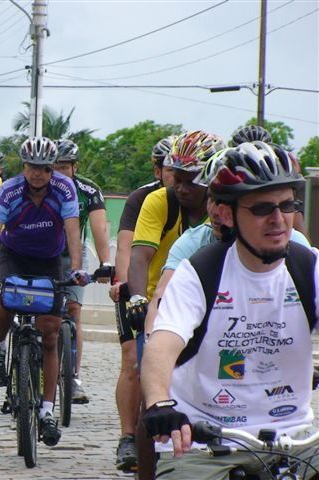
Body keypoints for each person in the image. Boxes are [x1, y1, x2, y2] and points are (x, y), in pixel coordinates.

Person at [140, 144, 319, 479]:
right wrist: (160, 404)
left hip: (295, 439)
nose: (279, 219)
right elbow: (162, 345)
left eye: (287, 205)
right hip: (206, 442)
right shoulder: (200, 272)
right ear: (225, 214)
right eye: (263, 208)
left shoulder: (309, 267)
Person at [0, 136, 90, 448]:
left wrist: (76, 268)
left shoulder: (64, 189)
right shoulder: (9, 189)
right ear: (23, 166)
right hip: (13, 256)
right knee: (4, 298)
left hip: (50, 260)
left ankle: (47, 411)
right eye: (31, 167)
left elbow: (72, 229)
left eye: (44, 169)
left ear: (52, 169)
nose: (37, 174)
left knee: (51, 334)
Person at [127, 130, 226, 479]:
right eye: (176, 179)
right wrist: (141, 304)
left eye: (190, 181)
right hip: (168, 305)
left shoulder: (286, 241)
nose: (181, 188)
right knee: (147, 387)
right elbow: (140, 260)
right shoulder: (171, 215)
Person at [145, 143, 312, 332]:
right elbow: (163, 298)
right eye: (212, 200)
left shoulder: (300, 252)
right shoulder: (193, 244)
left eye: (286, 206)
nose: (217, 212)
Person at [110, 134, 177, 472]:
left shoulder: (207, 199)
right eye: (170, 169)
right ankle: (127, 437)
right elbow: (127, 247)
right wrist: (123, 285)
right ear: (158, 169)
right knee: (134, 362)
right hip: (142, 290)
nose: (177, 176)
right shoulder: (143, 199)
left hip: (180, 298)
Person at [53, 138, 111, 404]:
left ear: (75, 167)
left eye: (65, 167)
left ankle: (73, 376)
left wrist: (106, 262)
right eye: (56, 167)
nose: (60, 172)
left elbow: (100, 228)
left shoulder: (89, 190)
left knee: (74, 311)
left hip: (74, 255)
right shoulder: (42, 187)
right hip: (42, 255)